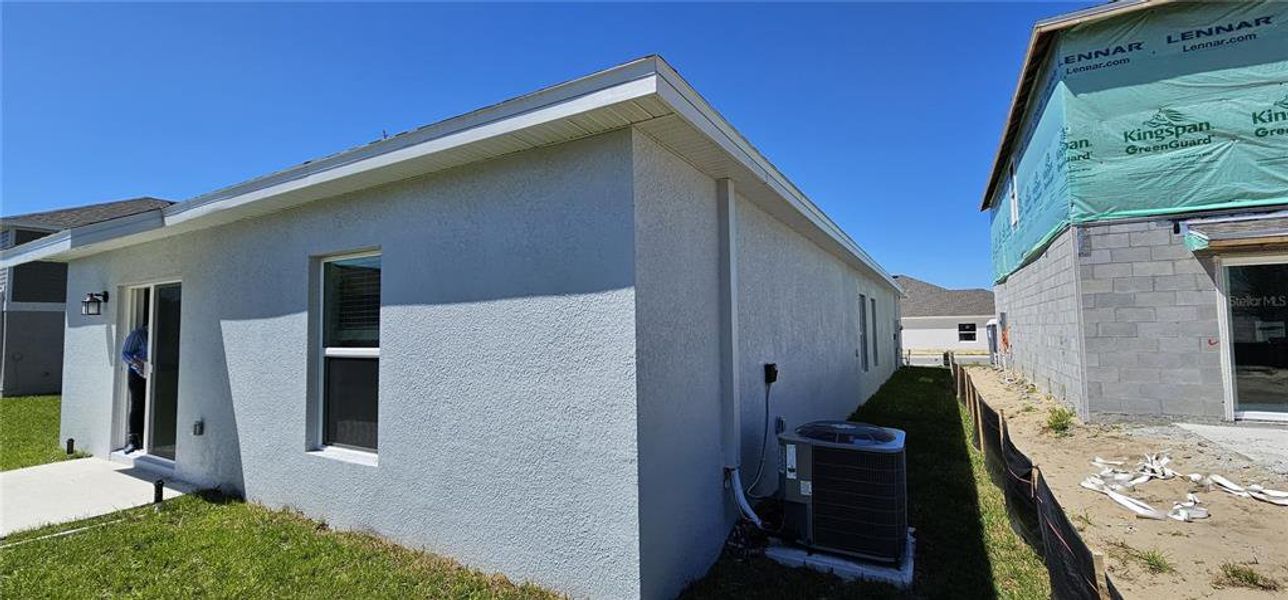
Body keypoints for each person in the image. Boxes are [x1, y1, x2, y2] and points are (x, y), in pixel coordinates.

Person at [121, 325, 148, 453]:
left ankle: (147, 438)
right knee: (138, 405)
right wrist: (136, 362)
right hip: (138, 375)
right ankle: (134, 440)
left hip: (155, 376)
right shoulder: (138, 334)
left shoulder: (163, 334)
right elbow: (125, 353)